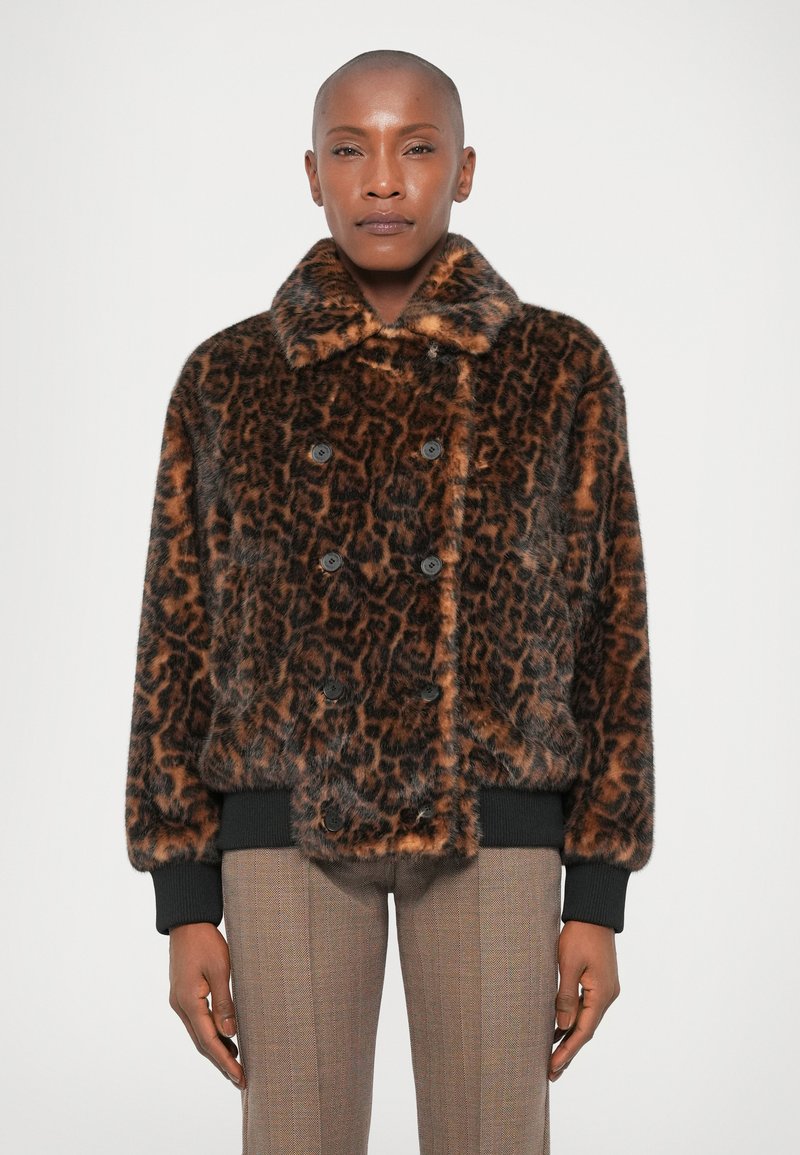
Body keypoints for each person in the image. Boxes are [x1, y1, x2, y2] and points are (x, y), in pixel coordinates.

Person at [124, 48, 655, 1155]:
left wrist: (597, 893)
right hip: (283, 828)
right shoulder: (226, 377)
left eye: (415, 147)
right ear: (309, 172)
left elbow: (614, 636)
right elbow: (177, 636)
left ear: (464, 168)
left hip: (496, 827)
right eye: (348, 148)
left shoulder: (558, 368)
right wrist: (184, 897)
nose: (380, 178)